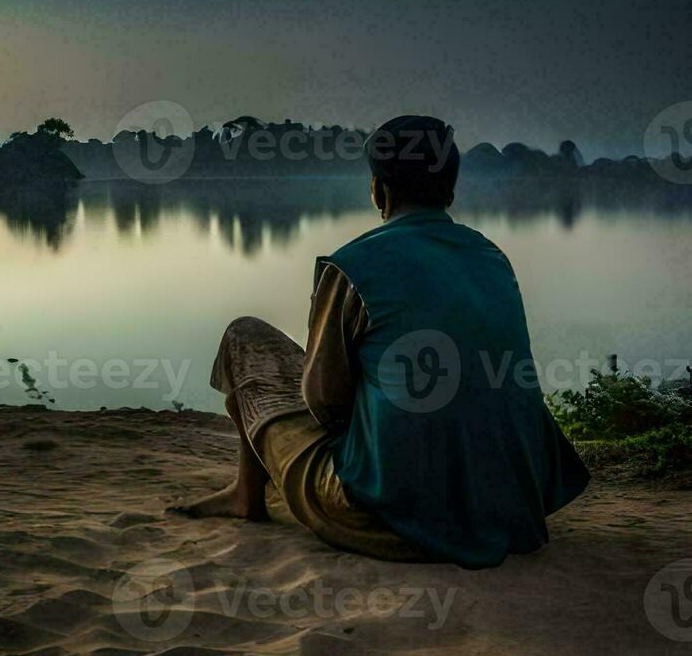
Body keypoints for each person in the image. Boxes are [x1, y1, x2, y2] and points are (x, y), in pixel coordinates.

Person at [169, 115, 589, 569]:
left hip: (389, 517)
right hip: (507, 508)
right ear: (450, 188)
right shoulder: (492, 258)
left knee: (244, 337)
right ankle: (249, 492)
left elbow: (324, 404)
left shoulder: (353, 266)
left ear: (379, 190)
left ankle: (246, 495)